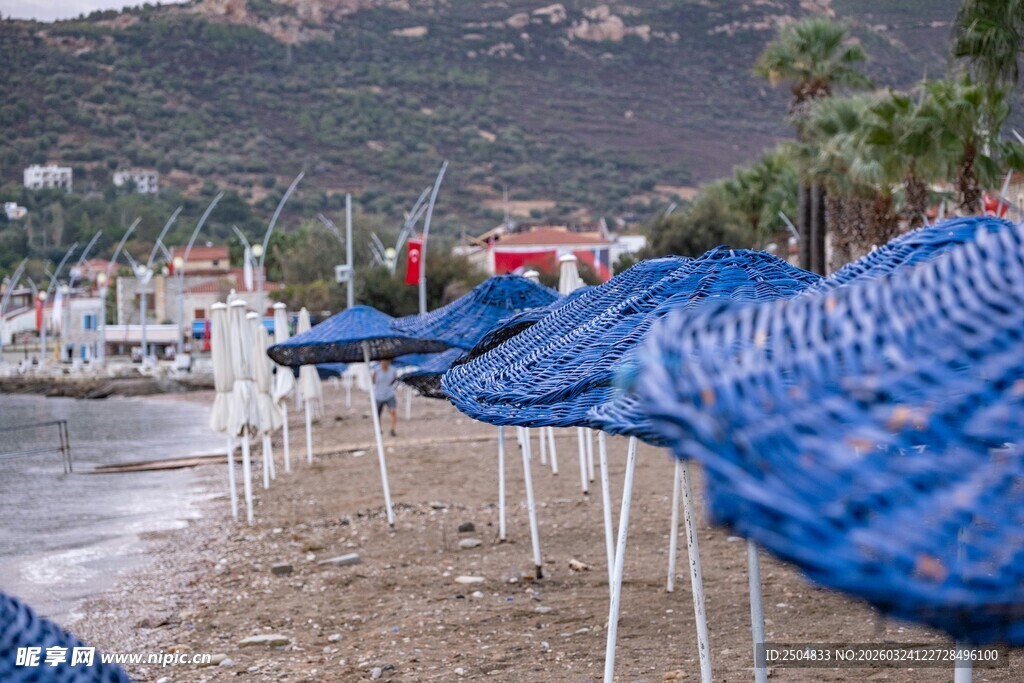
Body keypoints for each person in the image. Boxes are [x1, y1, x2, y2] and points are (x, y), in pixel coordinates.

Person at [372, 358, 399, 437]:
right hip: (378, 395)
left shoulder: (393, 370)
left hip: (389, 394)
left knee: (393, 411)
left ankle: (392, 429)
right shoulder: (376, 370)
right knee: (377, 414)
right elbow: (373, 381)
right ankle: (378, 429)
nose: (385, 362)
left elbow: (394, 380)